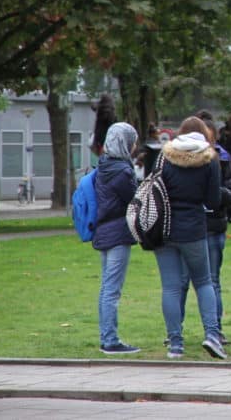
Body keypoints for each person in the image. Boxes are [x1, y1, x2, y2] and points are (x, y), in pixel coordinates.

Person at [154, 116, 226, 359]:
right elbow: (213, 201)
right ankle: (212, 335)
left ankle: (175, 344)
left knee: (171, 287)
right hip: (194, 228)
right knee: (204, 282)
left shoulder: (166, 155)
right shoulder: (209, 158)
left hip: (164, 228)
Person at [180, 115, 231, 345]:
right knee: (185, 281)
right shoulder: (181, 158)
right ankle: (179, 331)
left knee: (210, 280)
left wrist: (217, 192)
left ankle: (214, 330)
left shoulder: (220, 159)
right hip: (193, 227)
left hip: (211, 226)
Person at [92, 122, 140, 354]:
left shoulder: (103, 166)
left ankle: (106, 336)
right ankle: (110, 340)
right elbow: (134, 199)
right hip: (118, 232)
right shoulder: (123, 171)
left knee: (106, 287)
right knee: (112, 288)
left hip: (103, 231)